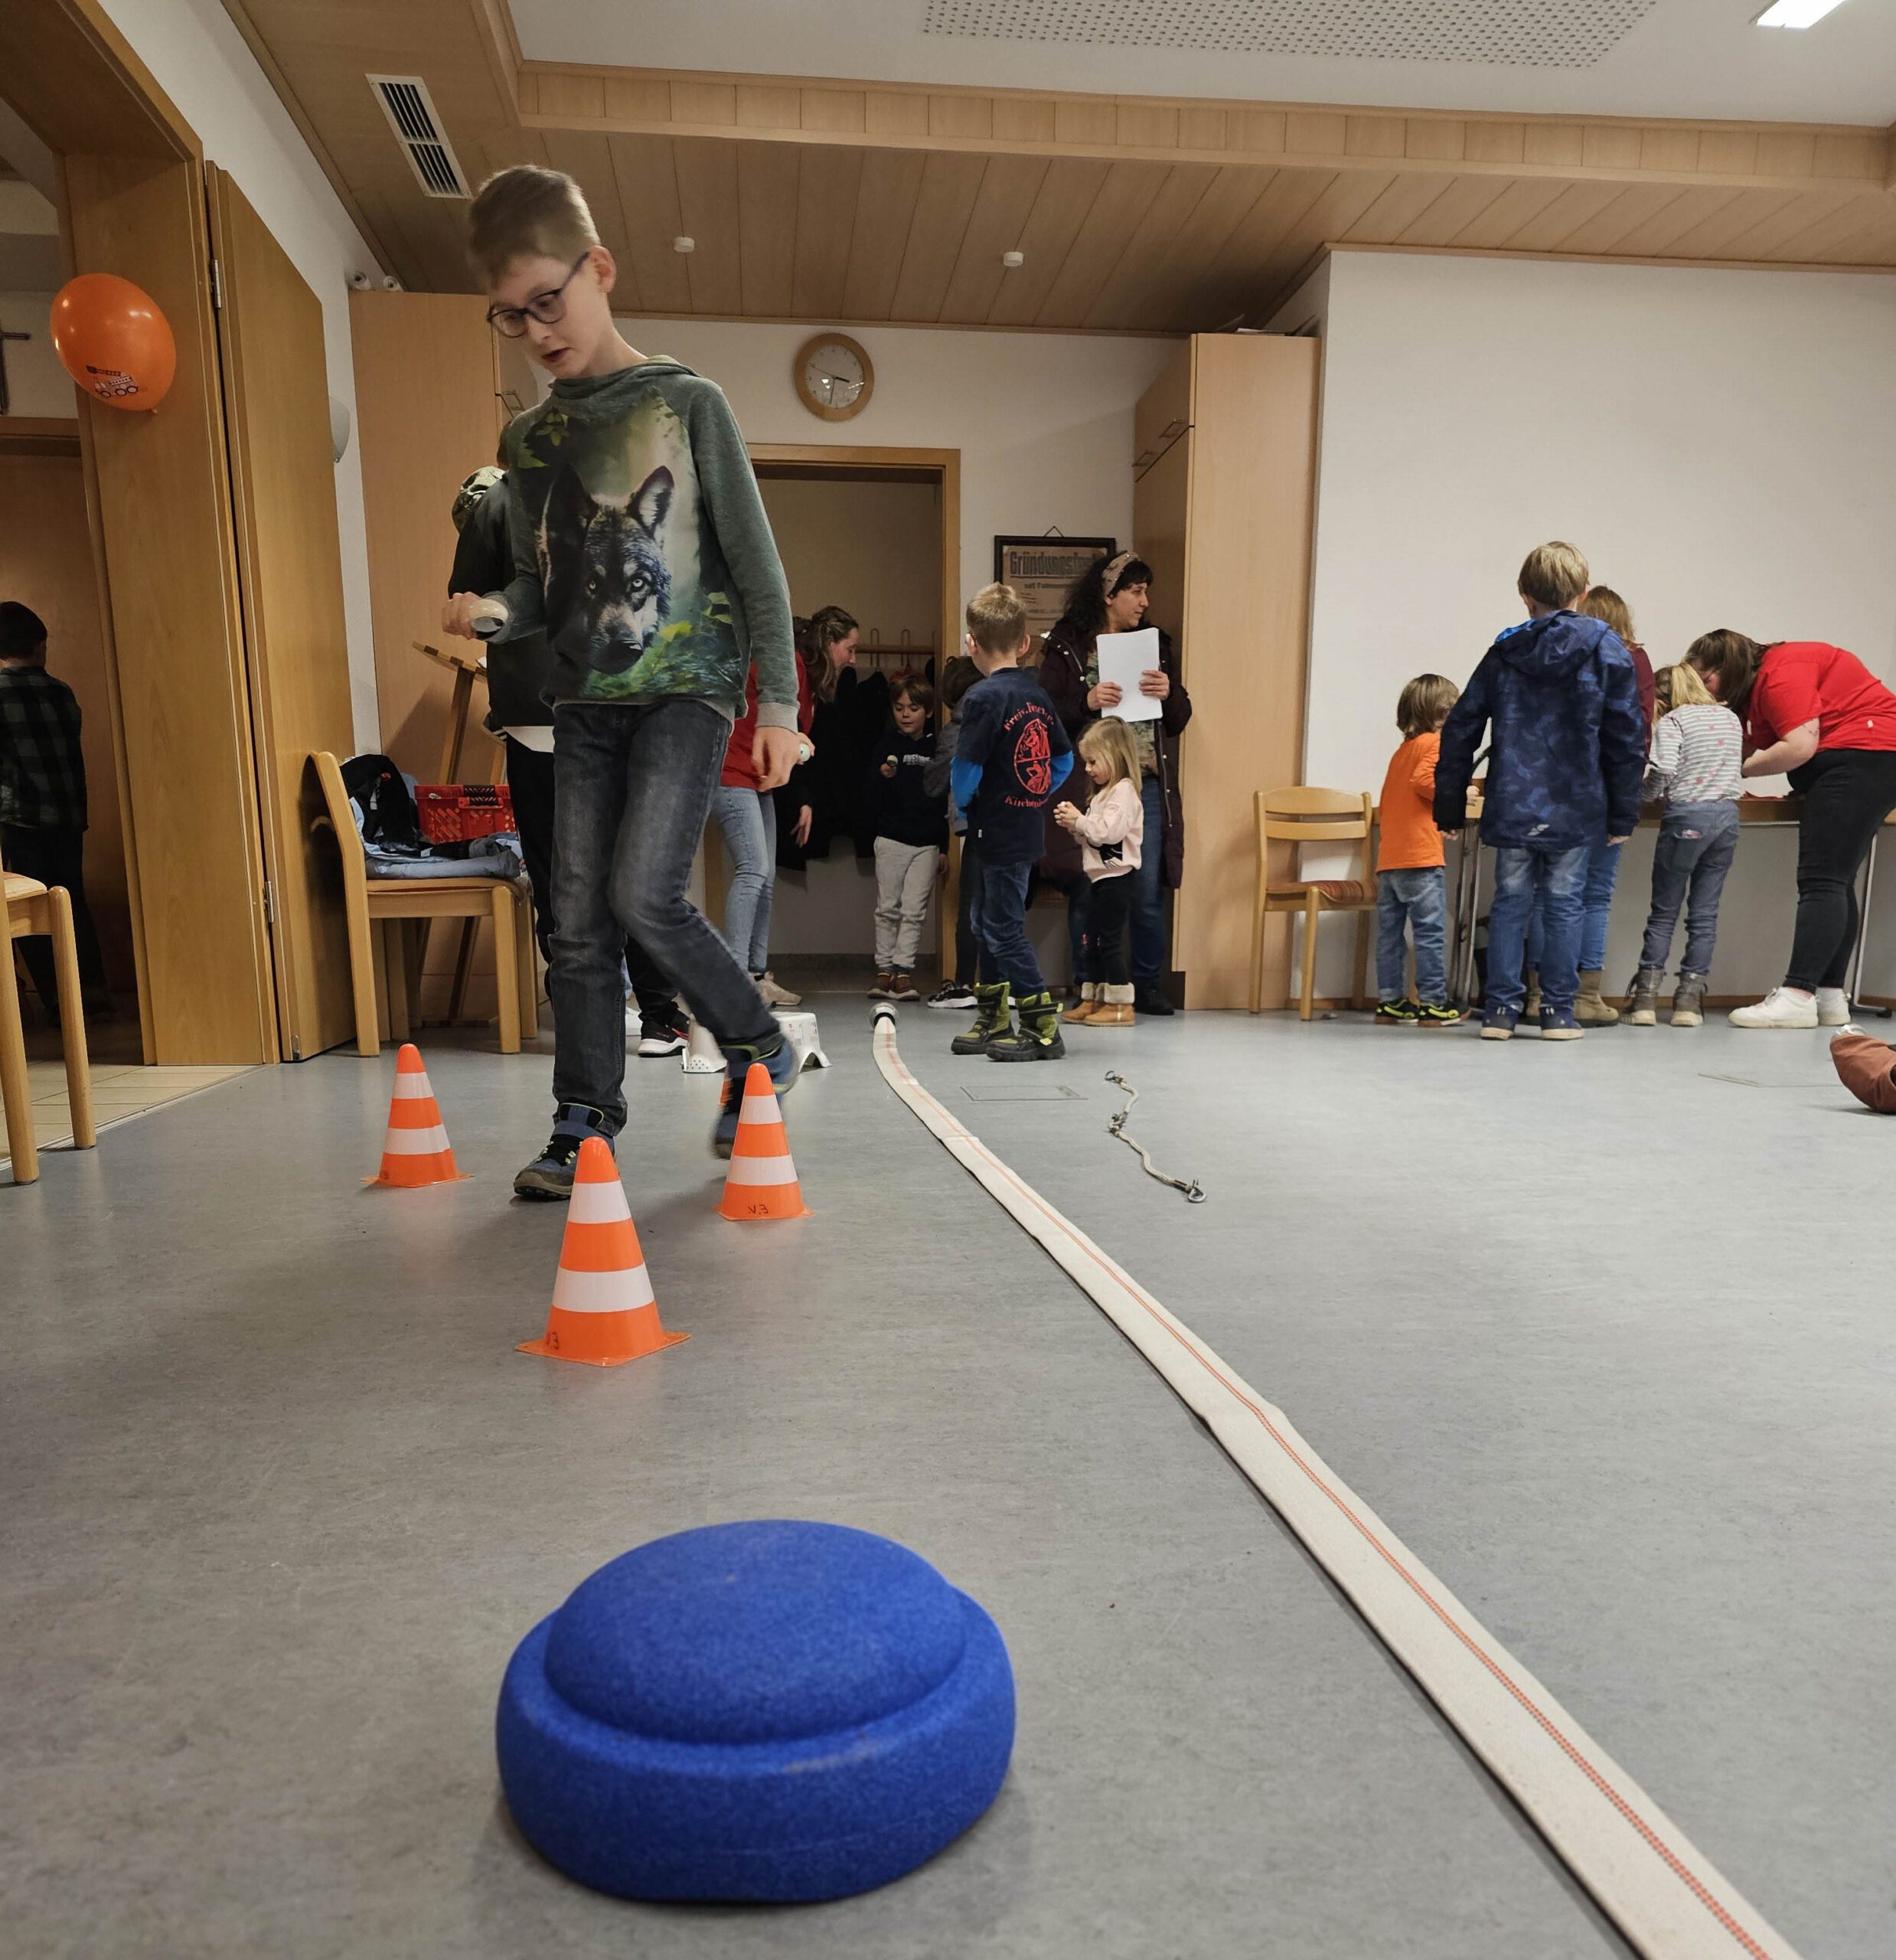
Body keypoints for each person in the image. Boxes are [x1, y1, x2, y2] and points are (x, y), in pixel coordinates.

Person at [444, 165, 802, 1192]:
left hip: (689, 689)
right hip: (582, 702)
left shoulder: (689, 403)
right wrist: (494, 611)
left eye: (547, 301)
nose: (535, 331)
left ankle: (756, 1043)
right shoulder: (529, 439)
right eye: (510, 315)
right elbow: (540, 581)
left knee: (645, 893)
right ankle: (584, 1121)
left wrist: (778, 705)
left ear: (598, 268)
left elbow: (756, 562)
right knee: (575, 921)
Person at [445, 468, 690, 1060]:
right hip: (612, 710)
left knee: (560, 882)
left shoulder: (497, 502)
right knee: (636, 872)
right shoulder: (606, 483)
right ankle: (660, 1017)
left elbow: (466, 604)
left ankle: (585, 1022)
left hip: (534, 713)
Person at [1434, 542, 1645, 1043]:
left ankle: (1500, 1013)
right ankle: (1557, 1014)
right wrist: (1622, 814)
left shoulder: (1504, 651)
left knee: (1510, 902)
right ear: (1582, 593)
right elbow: (1626, 737)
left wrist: (1448, 804)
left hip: (1514, 800)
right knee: (1565, 903)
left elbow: (1461, 727)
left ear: (1525, 595)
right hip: (1577, 803)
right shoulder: (1607, 649)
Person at [1686, 629, 1896, 1029]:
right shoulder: (1757, 689)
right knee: (1836, 882)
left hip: (1860, 758)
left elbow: (1799, 746)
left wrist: (1737, 771)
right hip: (1872, 758)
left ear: (1727, 667)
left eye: (1706, 679)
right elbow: (1743, 744)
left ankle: (1798, 995)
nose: (1704, 689)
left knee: (1822, 881)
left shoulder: (1780, 672)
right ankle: (1829, 996)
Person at [1039, 550, 1193, 1017]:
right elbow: (1045, 712)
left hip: (1144, 786)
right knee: (1091, 884)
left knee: (1144, 890)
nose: (1144, 602)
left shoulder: (1154, 643)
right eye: (1136, 592)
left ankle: (1145, 987)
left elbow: (1180, 717)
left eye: (1146, 592)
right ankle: (1090, 987)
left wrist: (1169, 694)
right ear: (1109, 594)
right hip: (1090, 785)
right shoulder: (1069, 642)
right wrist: (1086, 700)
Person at [950, 583, 1074, 1061]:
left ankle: (1042, 1028)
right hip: (1024, 826)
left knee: (1001, 927)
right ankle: (994, 1017)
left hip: (993, 828)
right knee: (986, 920)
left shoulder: (983, 698)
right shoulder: (1036, 694)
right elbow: (1062, 761)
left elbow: (965, 770)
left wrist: (967, 804)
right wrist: (1033, 793)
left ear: (972, 644)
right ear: (1024, 643)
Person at [1525, 585, 1656, 1026]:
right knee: (1595, 892)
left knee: (1547, 890)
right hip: (1607, 787)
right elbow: (1639, 730)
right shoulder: (1633, 658)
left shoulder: (1558, 650)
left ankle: (1538, 994)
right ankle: (1585, 995)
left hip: (1555, 786)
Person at [0, 601, 110, 1023]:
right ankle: (93, 992)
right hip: (67, 816)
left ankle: (58, 998)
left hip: (21, 818)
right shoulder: (61, 691)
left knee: (32, 909)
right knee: (71, 900)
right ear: (40, 646)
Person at [1623, 664, 1743, 1029]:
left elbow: (1664, 769)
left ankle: (1645, 1001)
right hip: (1726, 818)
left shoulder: (1675, 721)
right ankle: (1689, 1003)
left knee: (1664, 912)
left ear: (1662, 699)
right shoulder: (1730, 718)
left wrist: (1644, 797)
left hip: (1687, 817)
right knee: (1705, 915)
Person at [712, 642, 813, 1011]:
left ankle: (756, 977)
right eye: (848, 649)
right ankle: (737, 981)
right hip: (732, 773)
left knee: (764, 875)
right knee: (754, 870)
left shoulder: (763, 657)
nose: (853, 658)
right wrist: (800, 742)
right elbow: (791, 728)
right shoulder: (788, 660)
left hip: (756, 778)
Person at [1373, 673, 1461, 1028]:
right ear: (1443, 712)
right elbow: (1425, 782)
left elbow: (1397, 797)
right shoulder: (1435, 744)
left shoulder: (1401, 752)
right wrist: (1459, 793)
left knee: (1390, 936)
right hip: (1420, 858)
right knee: (1429, 933)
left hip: (1390, 859)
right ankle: (1434, 1003)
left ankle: (1390, 1001)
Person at [1052, 719, 1144, 1027]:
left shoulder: (1124, 791)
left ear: (1115, 756)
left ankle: (1120, 1003)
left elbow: (1109, 833)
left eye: (1093, 761)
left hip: (1117, 879)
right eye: (1086, 762)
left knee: (1109, 941)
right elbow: (1093, 838)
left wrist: (1080, 821)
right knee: (1090, 940)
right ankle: (1093, 997)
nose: (1088, 769)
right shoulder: (1104, 794)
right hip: (1098, 878)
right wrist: (1075, 826)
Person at [864, 675, 945, 1002]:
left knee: (914, 910)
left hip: (927, 843)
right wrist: (882, 777)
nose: (906, 714)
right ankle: (884, 970)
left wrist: (943, 847)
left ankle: (903, 971)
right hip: (891, 838)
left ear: (928, 711)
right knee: (887, 908)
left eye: (914, 708)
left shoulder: (937, 746)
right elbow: (869, 795)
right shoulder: (885, 745)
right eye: (899, 708)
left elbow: (944, 799)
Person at [793, 606, 886, 864]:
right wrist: (803, 800)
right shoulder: (796, 672)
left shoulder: (815, 688)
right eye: (850, 649)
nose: (853, 660)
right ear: (830, 643)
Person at [921, 653, 981, 1011]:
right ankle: (1004, 985)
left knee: (971, 906)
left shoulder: (960, 725)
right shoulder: (1011, 709)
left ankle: (964, 984)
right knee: (1003, 907)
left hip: (978, 825)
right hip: (1018, 822)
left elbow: (934, 782)